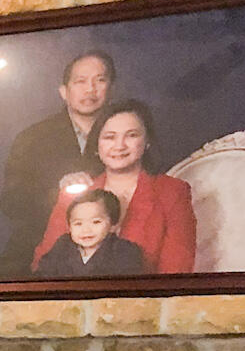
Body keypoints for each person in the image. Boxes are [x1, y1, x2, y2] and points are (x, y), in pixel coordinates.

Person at [34, 100, 196, 274]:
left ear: (147, 141)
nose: (119, 146)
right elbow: (43, 264)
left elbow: (177, 271)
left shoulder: (171, 191)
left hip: (145, 298)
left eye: (131, 135)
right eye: (109, 137)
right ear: (96, 144)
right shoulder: (76, 192)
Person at [0, 51, 115, 275]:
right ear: (64, 91)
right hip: (37, 249)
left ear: (111, 88)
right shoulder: (33, 138)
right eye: (80, 81)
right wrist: (58, 191)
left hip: (110, 254)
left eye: (100, 80)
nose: (90, 89)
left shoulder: (127, 137)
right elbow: (11, 202)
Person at [33, 189, 148, 278]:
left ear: (113, 224)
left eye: (96, 222)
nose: (86, 230)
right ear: (69, 226)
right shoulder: (63, 246)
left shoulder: (125, 250)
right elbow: (43, 274)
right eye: (78, 224)